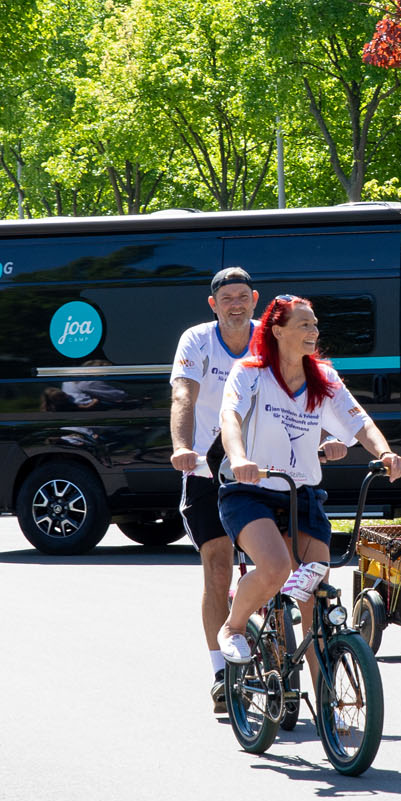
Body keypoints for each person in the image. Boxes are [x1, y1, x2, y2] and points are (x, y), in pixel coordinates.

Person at [215, 295, 401, 669]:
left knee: (316, 596)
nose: (313, 331)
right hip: (250, 491)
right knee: (275, 568)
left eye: (315, 324)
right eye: (304, 324)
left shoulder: (324, 378)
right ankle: (233, 627)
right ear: (277, 330)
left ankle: (327, 701)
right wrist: (239, 459)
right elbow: (230, 419)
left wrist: (385, 453)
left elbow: (359, 421)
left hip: (301, 493)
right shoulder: (251, 372)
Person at [169, 267, 259, 711]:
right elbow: (184, 396)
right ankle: (222, 672)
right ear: (214, 304)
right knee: (218, 567)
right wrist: (183, 447)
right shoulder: (197, 340)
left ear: (254, 299)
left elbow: (309, 389)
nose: (236, 304)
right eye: (228, 298)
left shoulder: (272, 336)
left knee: (280, 562)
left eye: (243, 296)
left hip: (263, 464)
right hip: (207, 465)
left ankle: (275, 649)